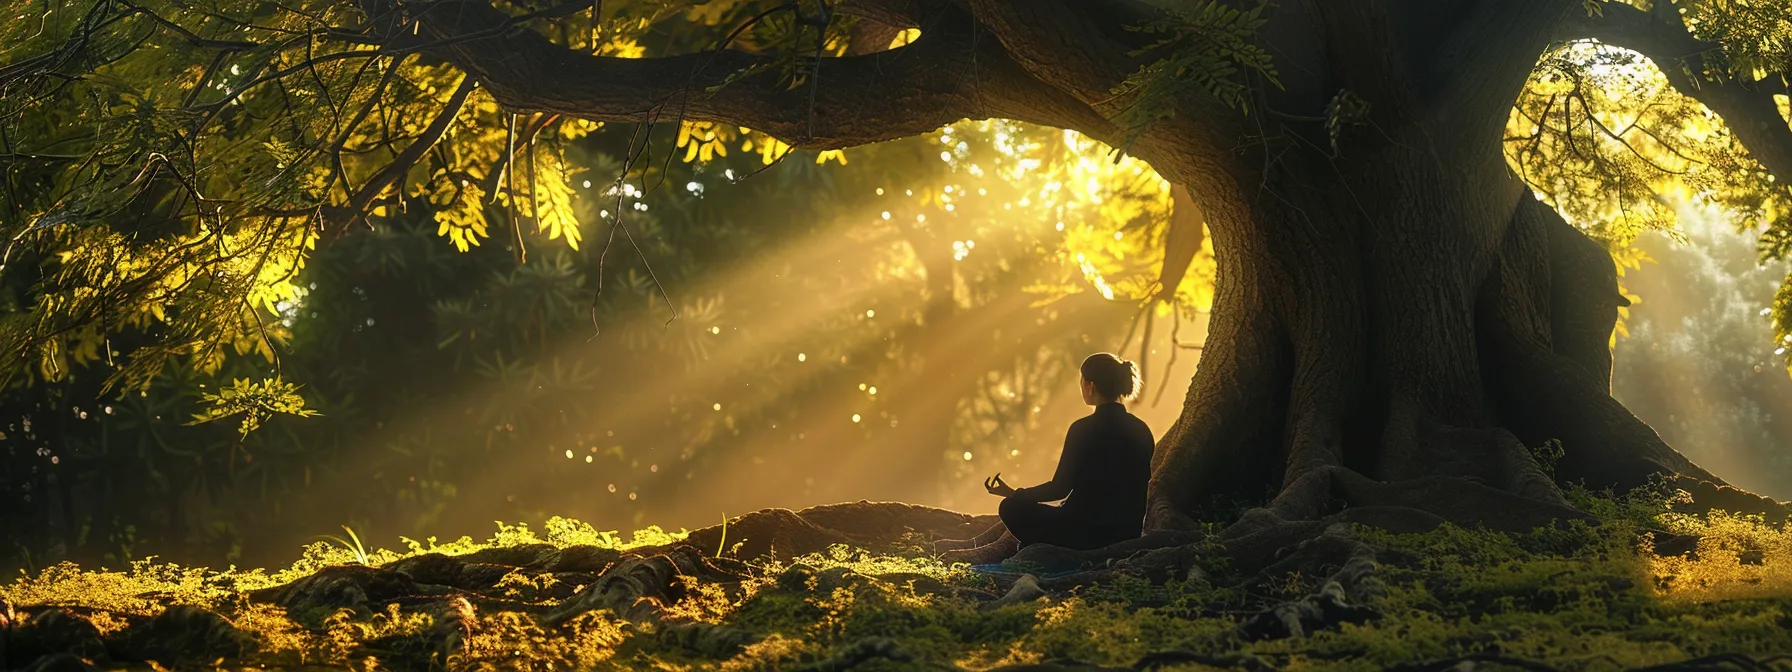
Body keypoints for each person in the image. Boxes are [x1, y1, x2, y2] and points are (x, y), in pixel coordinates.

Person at [937, 353, 1155, 563]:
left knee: (1010, 508)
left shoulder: (1082, 429)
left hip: (1082, 533)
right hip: (1127, 534)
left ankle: (1044, 549)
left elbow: (1059, 488)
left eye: (1081, 383)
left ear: (1091, 386)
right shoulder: (1142, 429)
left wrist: (1015, 494)